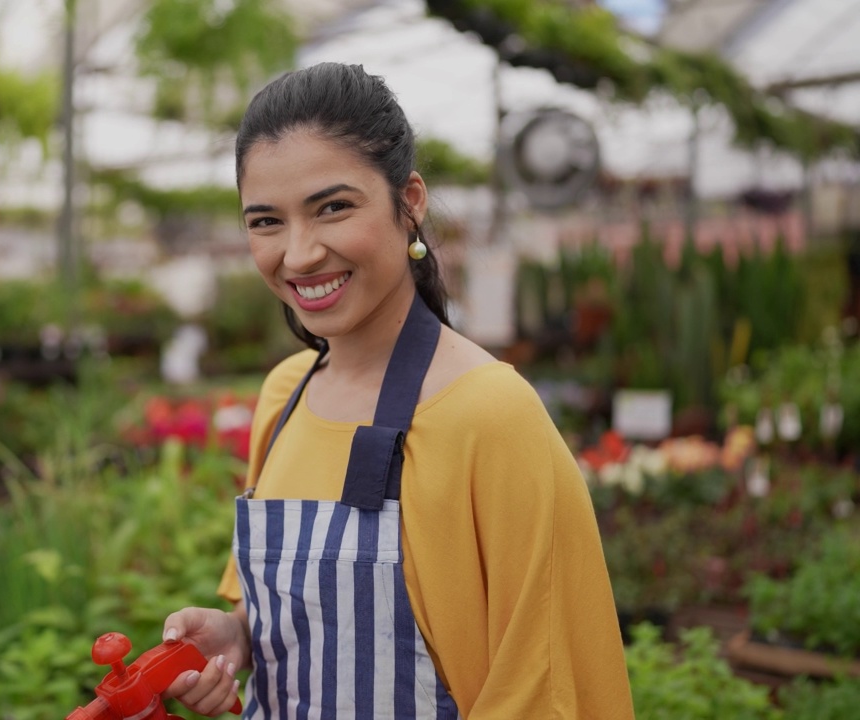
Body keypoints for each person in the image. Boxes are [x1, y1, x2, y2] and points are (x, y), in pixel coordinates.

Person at [160, 62, 634, 718]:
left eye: (332, 208)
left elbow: (539, 691)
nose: (298, 255)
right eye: (266, 222)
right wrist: (239, 636)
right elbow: (306, 623)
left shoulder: (490, 416)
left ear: (409, 202)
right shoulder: (285, 396)